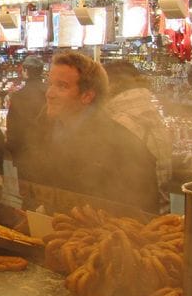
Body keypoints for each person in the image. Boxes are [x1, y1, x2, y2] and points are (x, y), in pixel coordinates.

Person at [17, 52, 160, 214]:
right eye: (50, 84)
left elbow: (140, 215)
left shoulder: (123, 147)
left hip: (95, 236)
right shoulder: (40, 132)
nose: (49, 93)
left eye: (62, 86)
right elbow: (32, 193)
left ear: (87, 96)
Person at [103, 61, 174, 214]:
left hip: (136, 217)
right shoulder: (152, 113)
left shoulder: (119, 122)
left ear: (110, 85)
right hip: (161, 212)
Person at [6, 55, 46, 165]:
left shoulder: (19, 96)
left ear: (26, 71)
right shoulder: (49, 92)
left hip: (23, 154)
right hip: (47, 151)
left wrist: (13, 151)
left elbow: (12, 127)